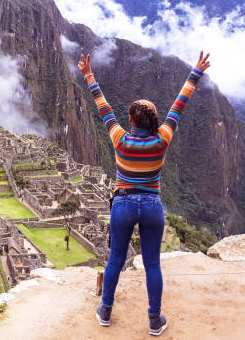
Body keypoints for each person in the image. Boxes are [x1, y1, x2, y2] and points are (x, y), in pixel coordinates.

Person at [79, 51, 211, 336]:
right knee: (152, 264)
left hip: (123, 203)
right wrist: (195, 73)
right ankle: (154, 320)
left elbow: (103, 107)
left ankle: (105, 310)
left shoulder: (119, 139)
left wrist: (88, 75)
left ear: (130, 120)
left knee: (115, 259)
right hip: (151, 205)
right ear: (154, 121)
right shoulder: (162, 139)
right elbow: (179, 104)